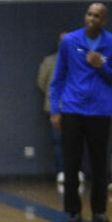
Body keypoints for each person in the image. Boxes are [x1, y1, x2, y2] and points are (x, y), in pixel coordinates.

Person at [50, 2, 112, 222]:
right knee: (72, 162)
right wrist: (56, 110)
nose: (92, 18)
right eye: (90, 14)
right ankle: (73, 210)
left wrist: (102, 66)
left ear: (104, 21)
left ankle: (99, 210)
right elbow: (58, 79)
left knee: (99, 163)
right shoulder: (70, 42)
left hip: (100, 111)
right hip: (73, 108)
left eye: (97, 16)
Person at [37, 33, 68, 184]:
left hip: (75, 107)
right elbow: (42, 82)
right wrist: (53, 97)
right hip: (55, 107)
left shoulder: (80, 60)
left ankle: (74, 170)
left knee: (76, 140)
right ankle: (61, 171)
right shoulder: (49, 61)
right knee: (58, 140)